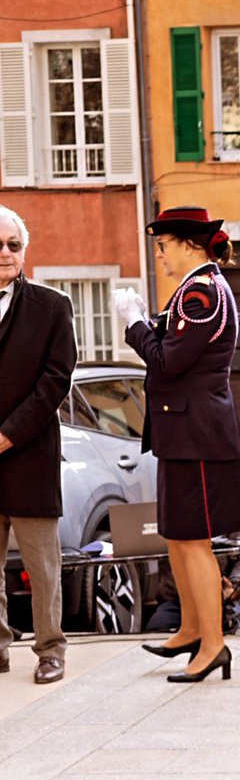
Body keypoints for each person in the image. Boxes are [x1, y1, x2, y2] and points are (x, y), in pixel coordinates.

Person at [113, 206, 240, 681]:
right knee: (178, 535)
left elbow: (167, 362)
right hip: (183, 432)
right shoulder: (191, 292)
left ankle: (214, 645)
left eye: (163, 244)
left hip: (199, 436)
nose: (159, 254)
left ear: (190, 244)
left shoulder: (203, 293)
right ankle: (192, 627)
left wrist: (133, 324)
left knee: (195, 544)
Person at [0, 205, 76, 685]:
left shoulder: (53, 306)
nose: (5, 254)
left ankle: (51, 650)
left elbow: (55, 382)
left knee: (43, 567)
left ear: (25, 251)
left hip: (29, 455)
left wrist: (6, 435)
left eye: (13, 245)